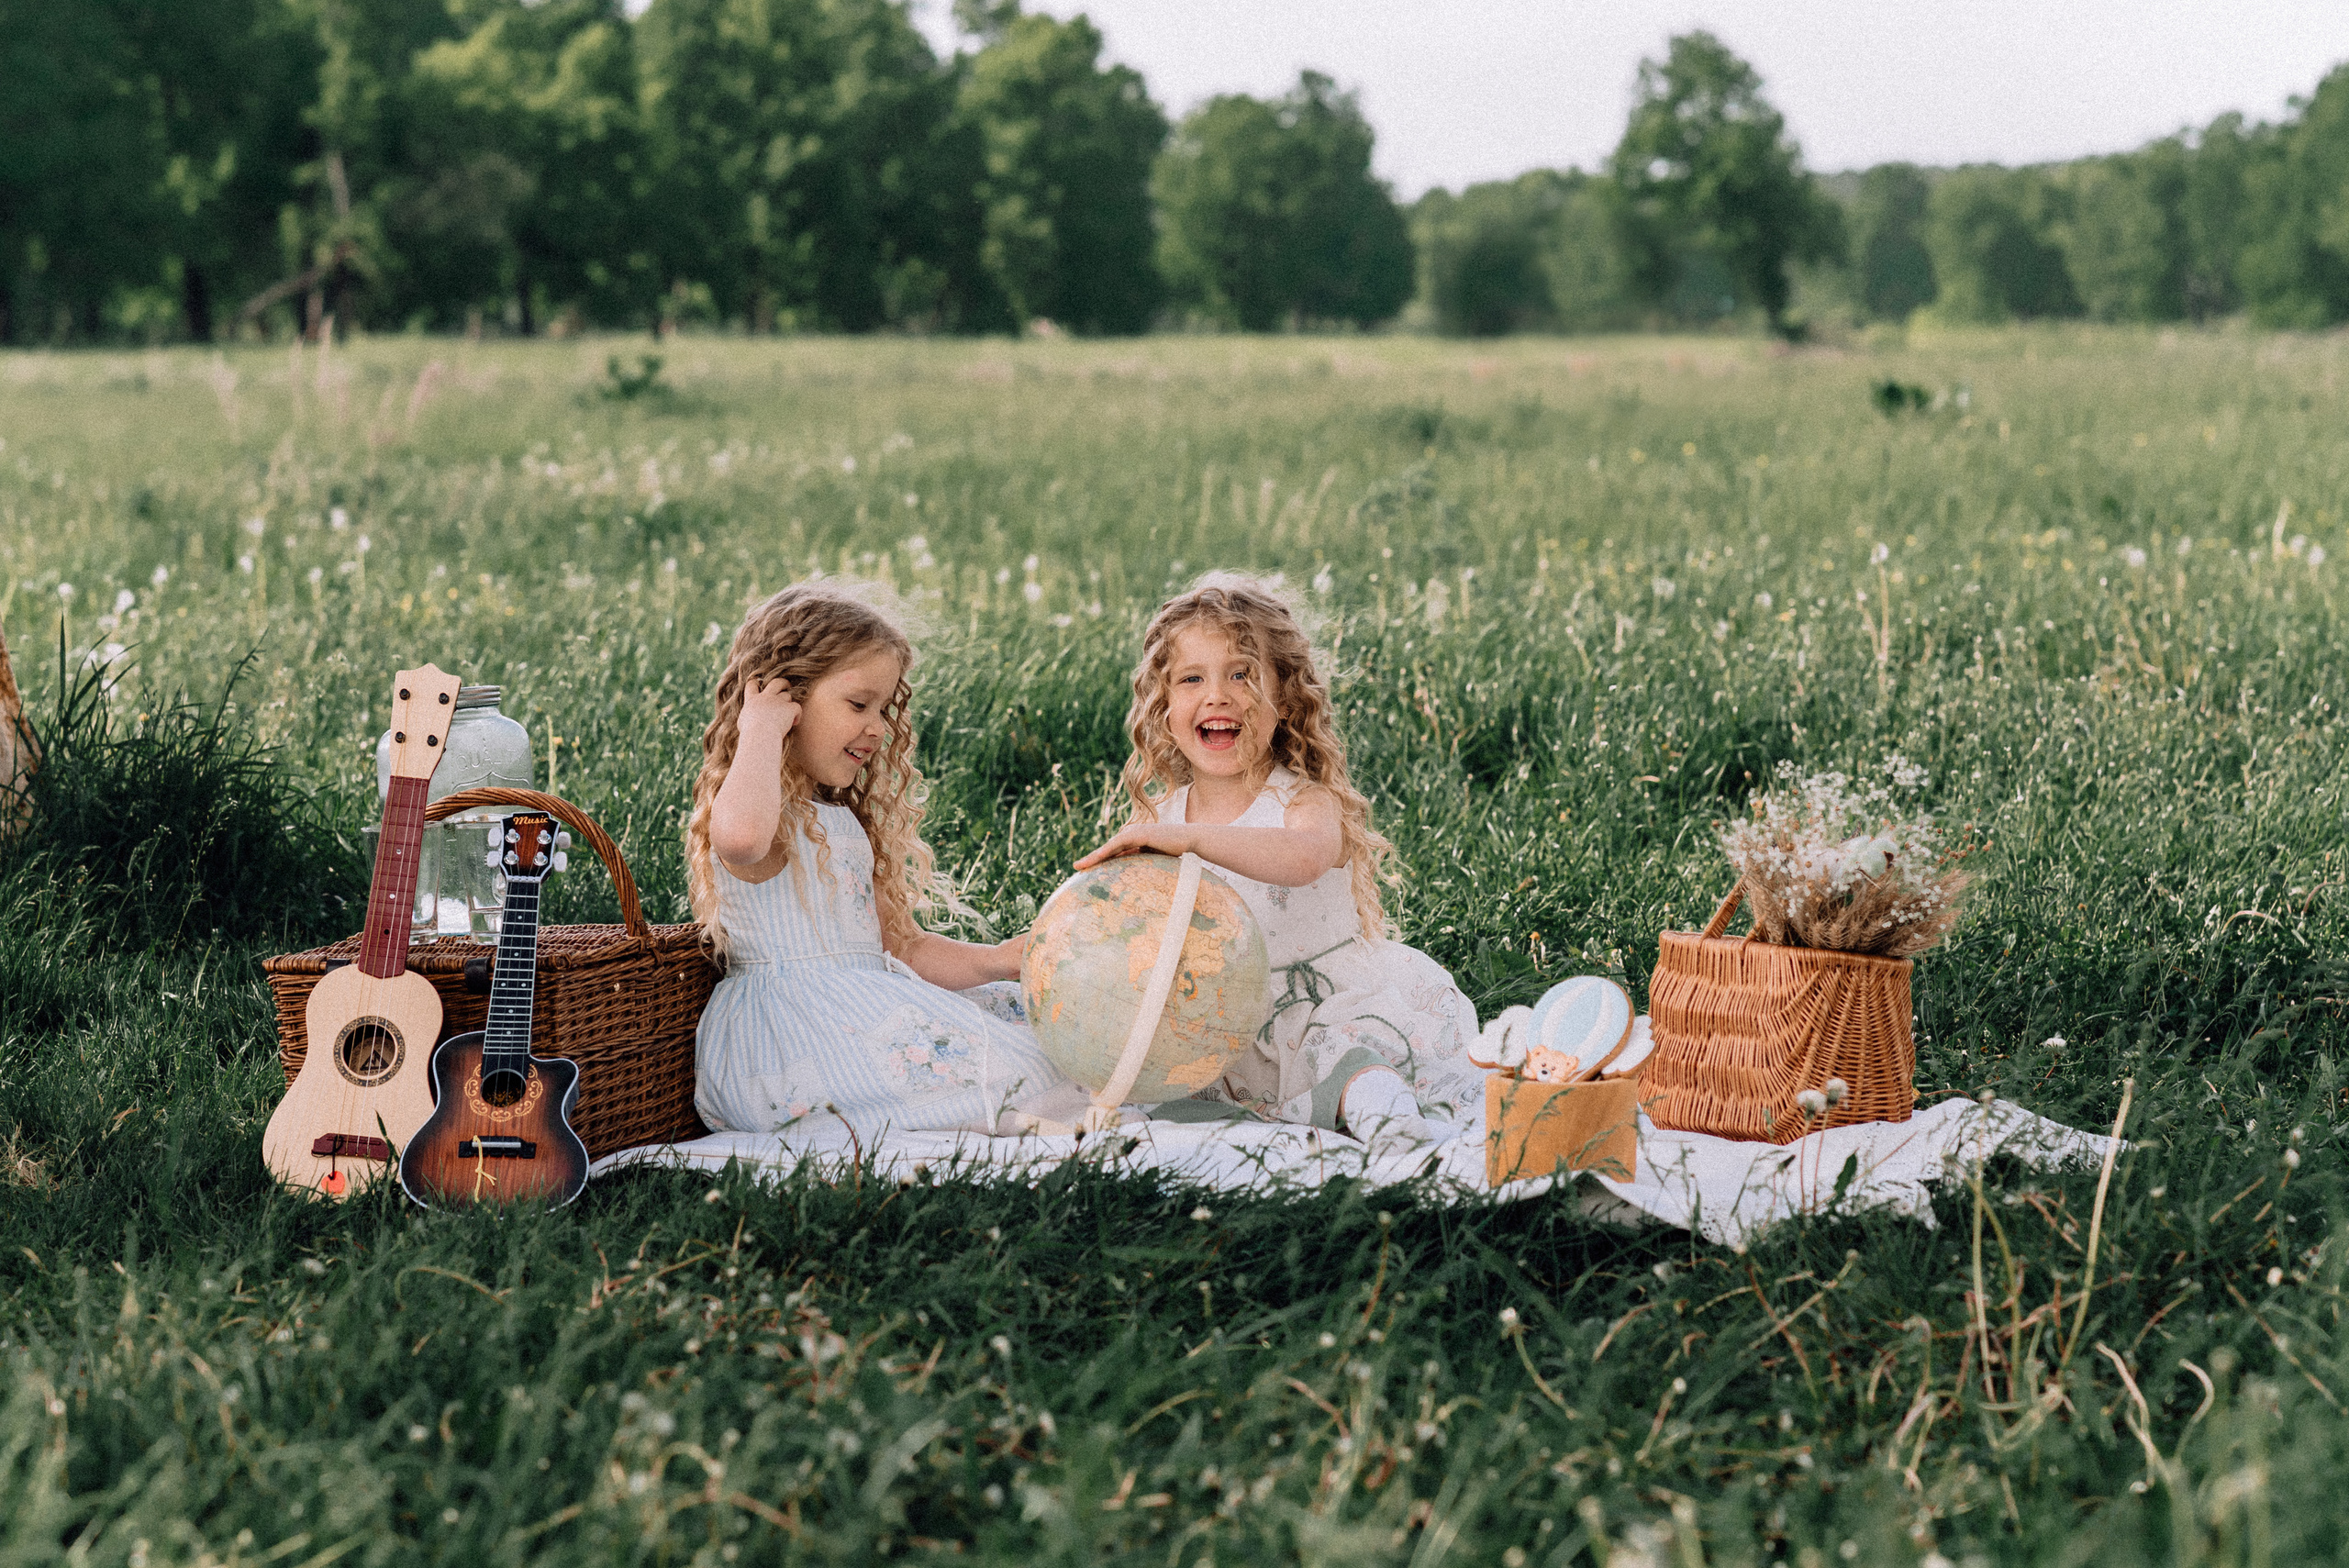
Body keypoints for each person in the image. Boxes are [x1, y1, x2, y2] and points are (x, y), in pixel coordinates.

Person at [1076, 573, 1485, 1155]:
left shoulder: (1301, 802)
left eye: (1241, 674)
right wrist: (998, 961)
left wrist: (1186, 841)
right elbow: (1109, 934)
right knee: (1167, 1107)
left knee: (1350, 1066)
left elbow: (1303, 859)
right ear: (1165, 708)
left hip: (1322, 1009)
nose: (1217, 695)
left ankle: (1392, 1127)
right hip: (1227, 1027)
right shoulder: (1165, 820)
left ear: (1286, 698)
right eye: (1192, 679)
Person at [685, 582, 1082, 1139]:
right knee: (1009, 1068)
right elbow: (740, 840)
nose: (878, 727)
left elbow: (902, 948)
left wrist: (1002, 959)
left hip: (864, 1003)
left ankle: (1015, 1107)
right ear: (785, 697)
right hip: (794, 1043)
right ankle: (1007, 1112)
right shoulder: (761, 814)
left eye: (883, 707)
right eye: (857, 704)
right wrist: (760, 730)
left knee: (1032, 1027)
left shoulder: (840, 821)